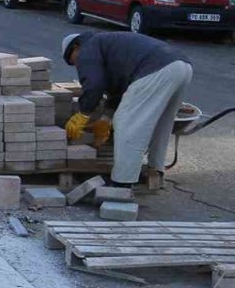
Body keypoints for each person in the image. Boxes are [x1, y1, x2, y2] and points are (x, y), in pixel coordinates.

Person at [61, 32, 193, 188]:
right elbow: (117, 92)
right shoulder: (108, 47)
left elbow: (94, 85)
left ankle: (122, 182)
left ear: (76, 47)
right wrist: (105, 118)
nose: (77, 65)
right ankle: (155, 169)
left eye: (73, 61)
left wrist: (83, 113)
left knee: (127, 123)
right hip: (182, 66)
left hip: (157, 68)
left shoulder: (87, 48)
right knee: (161, 123)